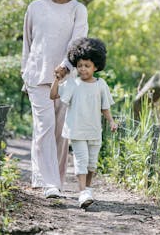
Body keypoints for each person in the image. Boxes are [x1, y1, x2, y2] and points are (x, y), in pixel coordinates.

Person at [21, 0, 90, 198]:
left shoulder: (78, 10)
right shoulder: (35, 7)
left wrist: (65, 66)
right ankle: (48, 182)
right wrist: (24, 72)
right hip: (37, 77)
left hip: (66, 79)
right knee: (44, 127)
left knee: (60, 132)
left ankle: (55, 181)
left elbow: (77, 41)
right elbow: (28, 44)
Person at [50, 37, 118, 208]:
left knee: (92, 163)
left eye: (87, 66)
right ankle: (82, 192)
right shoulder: (73, 83)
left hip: (94, 130)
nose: (83, 69)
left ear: (96, 66)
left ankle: (87, 189)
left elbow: (105, 107)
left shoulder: (101, 85)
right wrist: (57, 79)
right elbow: (53, 95)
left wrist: (111, 121)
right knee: (81, 160)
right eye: (79, 66)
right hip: (76, 130)